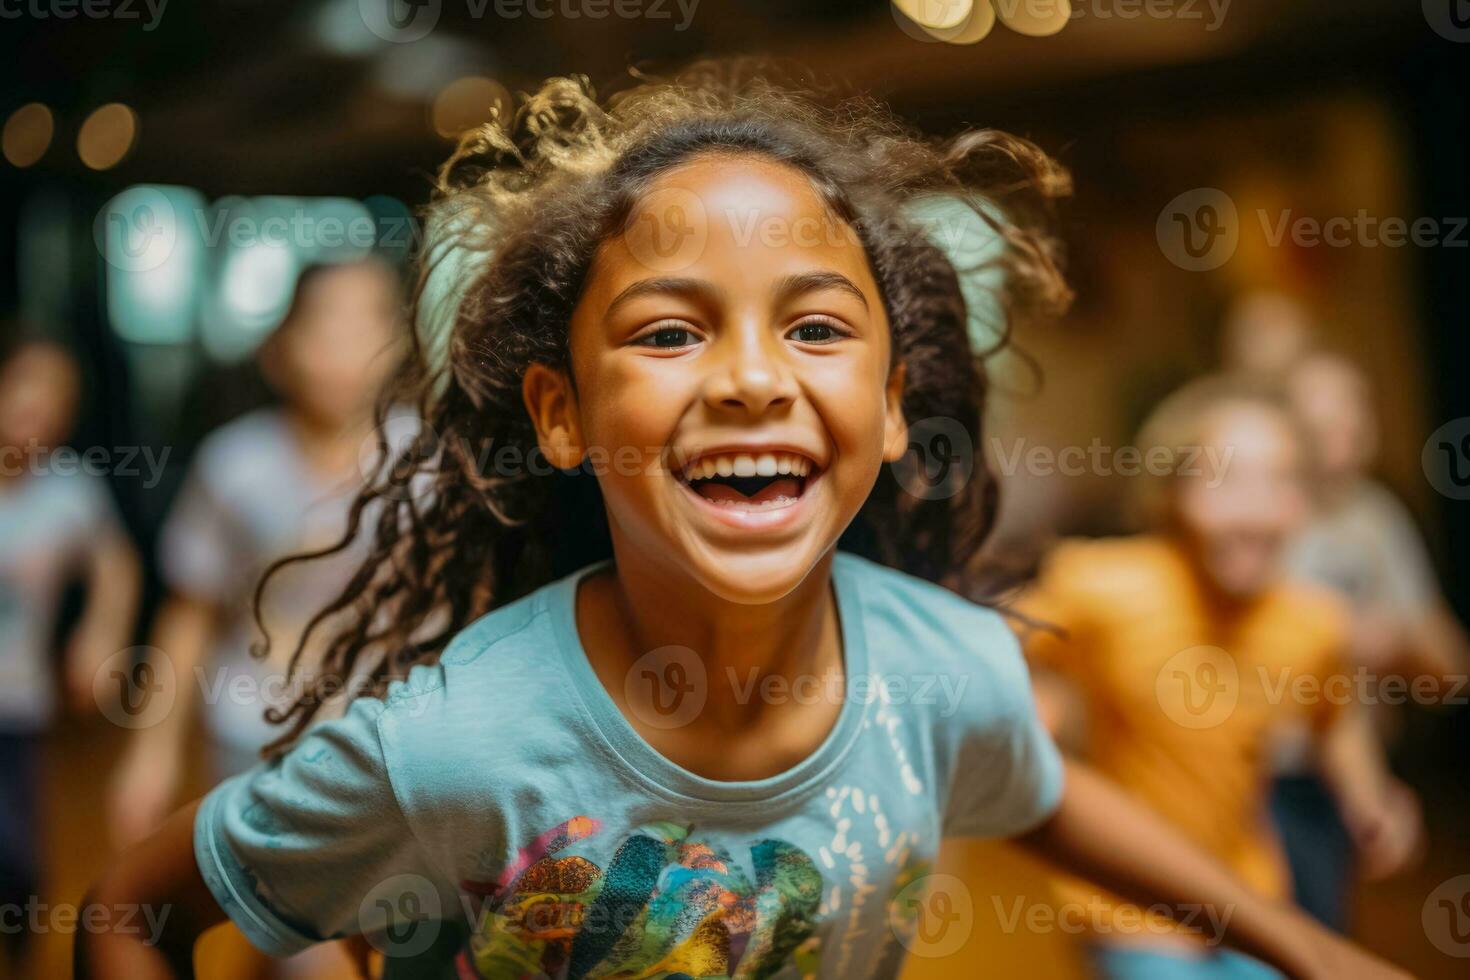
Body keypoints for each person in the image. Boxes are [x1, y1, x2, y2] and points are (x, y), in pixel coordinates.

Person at [81, 68, 1406, 979]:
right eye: (668, 331)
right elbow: (128, 909)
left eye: (816, 327)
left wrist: (1298, 942)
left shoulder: (940, 669)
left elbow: (1048, 794)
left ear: (891, 406)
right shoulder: (451, 742)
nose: (754, 376)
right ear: (562, 416)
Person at [1013, 375, 1419, 979]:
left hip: (1251, 899)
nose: (1254, 508)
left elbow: (1335, 716)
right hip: (1129, 911)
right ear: (1171, 490)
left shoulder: (1314, 623)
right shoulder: (1102, 586)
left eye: (1279, 482)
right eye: (1226, 479)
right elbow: (988, 646)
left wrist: (1367, 796)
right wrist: (1032, 708)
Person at [105, 258, 404, 978]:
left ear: (399, 347)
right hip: (254, 739)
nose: (345, 346)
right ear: (279, 349)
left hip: (390, 746)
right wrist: (149, 754)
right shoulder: (233, 465)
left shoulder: (429, 462)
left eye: (369, 324)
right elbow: (189, 615)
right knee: (306, 949)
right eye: (324, 325)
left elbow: (463, 609)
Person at [1268, 351, 1464, 929]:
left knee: (1322, 927)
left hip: (1342, 778)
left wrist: (1398, 640)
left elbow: (1445, 668)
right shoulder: (1256, 514)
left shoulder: (1375, 519)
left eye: (1356, 419)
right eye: (1322, 424)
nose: (1343, 440)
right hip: (1263, 774)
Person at [0, 336, 140, 970]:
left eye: (60, 396)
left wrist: (101, 634)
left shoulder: (68, 489)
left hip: (18, 706)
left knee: (18, 857)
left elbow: (117, 565)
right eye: (28, 385)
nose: (42, 407)